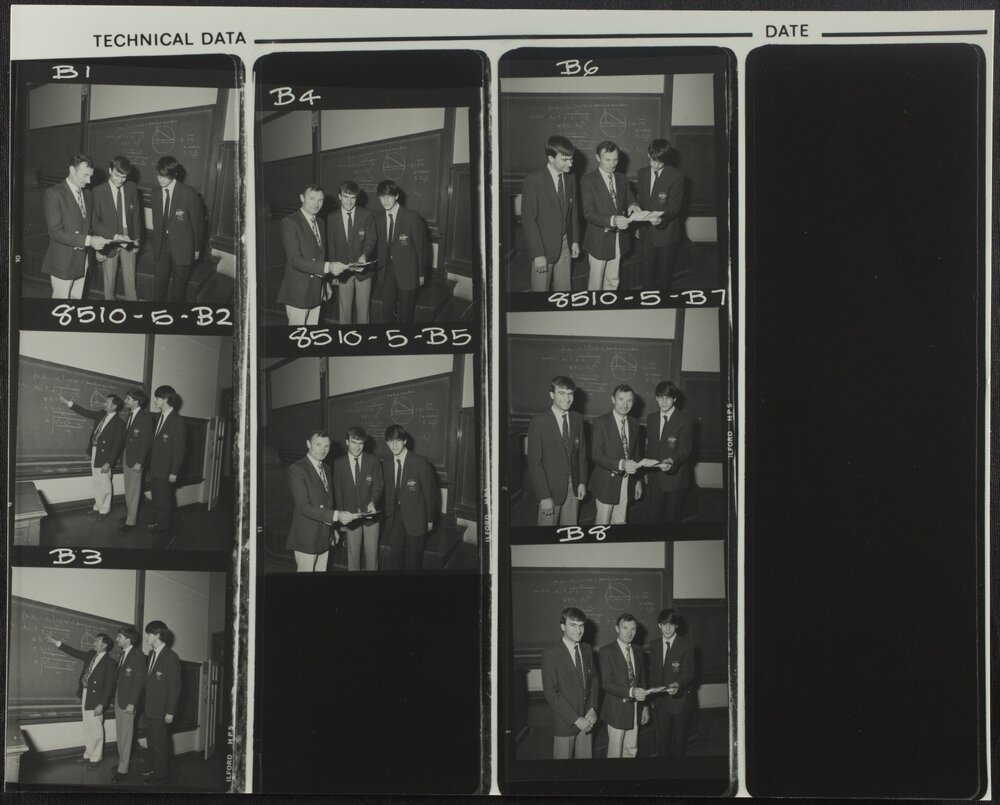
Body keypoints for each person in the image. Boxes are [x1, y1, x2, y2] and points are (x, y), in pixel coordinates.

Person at [286, 430, 359, 572]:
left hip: (324, 536)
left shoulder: (326, 468)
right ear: (308, 444)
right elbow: (304, 508)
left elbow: (327, 502)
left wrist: (332, 530)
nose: (323, 449)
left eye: (327, 446)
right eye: (318, 444)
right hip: (307, 538)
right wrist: (337, 516)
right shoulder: (297, 469)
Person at [42, 632, 116, 770]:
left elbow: (109, 686)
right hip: (86, 693)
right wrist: (56, 642)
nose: (93, 643)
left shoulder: (110, 663)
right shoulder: (90, 655)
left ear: (104, 645)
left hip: (97, 699)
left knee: (96, 728)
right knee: (88, 727)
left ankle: (96, 758)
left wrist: (102, 704)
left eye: (97, 641)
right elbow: (74, 652)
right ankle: (88, 754)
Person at [41, 153, 110, 299]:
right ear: (72, 170)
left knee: (76, 300)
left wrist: (115, 236)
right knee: (61, 306)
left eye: (90, 176)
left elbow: (94, 223)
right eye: (85, 175)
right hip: (63, 261)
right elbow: (55, 232)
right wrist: (88, 241)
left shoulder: (87, 194)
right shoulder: (54, 193)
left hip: (82, 260)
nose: (89, 180)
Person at [520, 135, 581, 292]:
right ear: (551, 158)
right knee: (540, 293)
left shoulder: (571, 177)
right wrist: (538, 253)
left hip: (566, 244)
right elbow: (528, 219)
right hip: (543, 247)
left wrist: (575, 240)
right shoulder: (533, 179)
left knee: (564, 291)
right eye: (565, 160)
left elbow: (573, 211)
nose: (571, 163)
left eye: (571, 159)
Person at [527, 375, 587, 526]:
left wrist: (581, 482)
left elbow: (581, 454)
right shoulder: (538, 421)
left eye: (570, 393)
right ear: (552, 394)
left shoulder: (578, 419)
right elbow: (535, 463)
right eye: (561, 393)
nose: (567, 398)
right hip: (550, 490)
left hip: (574, 488)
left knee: (570, 532)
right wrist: (544, 496)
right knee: (546, 537)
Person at [540, 607, 598, 759]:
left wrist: (592, 708)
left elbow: (594, 680)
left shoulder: (587, 649)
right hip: (566, 723)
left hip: (588, 720)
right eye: (573, 625)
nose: (579, 630)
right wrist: (577, 720)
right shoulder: (550, 654)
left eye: (581, 625)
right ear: (563, 626)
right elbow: (551, 694)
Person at [581, 141, 640, 290]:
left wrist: (633, 205)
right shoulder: (588, 180)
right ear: (597, 158)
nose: (612, 164)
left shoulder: (622, 178)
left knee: (614, 279)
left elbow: (630, 198)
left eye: (615, 159)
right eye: (607, 159)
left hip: (619, 238)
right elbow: (588, 213)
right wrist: (613, 220)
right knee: (596, 283)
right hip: (598, 240)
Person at [58, 392, 125, 519]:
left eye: (107, 402)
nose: (104, 403)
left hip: (105, 457)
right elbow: (86, 412)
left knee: (105, 483)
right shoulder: (101, 414)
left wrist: (108, 462)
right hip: (94, 451)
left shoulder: (119, 424)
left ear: (114, 406)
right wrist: (68, 403)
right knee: (97, 481)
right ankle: (98, 506)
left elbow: (117, 446)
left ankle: (105, 510)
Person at [382, 425, 436, 571]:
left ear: (405, 441)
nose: (394, 445)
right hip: (394, 519)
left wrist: (429, 518)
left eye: (398, 440)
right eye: (390, 441)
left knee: (414, 562)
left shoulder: (420, 462)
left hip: (416, 519)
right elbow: (386, 492)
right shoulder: (386, 464)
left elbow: (430, 493)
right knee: (395, 559)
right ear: (387, 442)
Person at [151, 155, 204, 302]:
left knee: (179, 289)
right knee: (159, 285)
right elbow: (157, 223)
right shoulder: (155, 193)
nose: (161, 179)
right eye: (158, 175)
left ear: (174, 175)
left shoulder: (188, 193)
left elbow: (197, 223)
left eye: (165, 176)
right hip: (161, 247)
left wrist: (197, 248)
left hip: (183, 247)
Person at [589, 384, 643, 525]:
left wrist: (637, 481)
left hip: (627, 482)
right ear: (613, 399)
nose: (625, 404)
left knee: (620, 521)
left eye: (629, 401)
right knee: (602, 524)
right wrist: (621, 464)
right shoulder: (601, 422)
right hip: (607, 483)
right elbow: (596, 455)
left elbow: (636, 454)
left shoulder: (635, 423)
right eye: (621, 399)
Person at [277, 184, 331, 325]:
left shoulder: (320, 222)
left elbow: (320, 255)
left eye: (320, 200)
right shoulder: (289, 222)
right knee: (298, 337)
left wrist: (325, 283)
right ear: (302, 198)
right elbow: (294, 260)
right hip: (299, 291)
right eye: (312, 198)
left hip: (317, 289)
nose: (316, 203)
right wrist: (327, 267)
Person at [635, 138, 685, 292]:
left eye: (660, 162)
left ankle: (663, 301)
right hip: (646, 233)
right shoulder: (642, 173)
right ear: (648, 155)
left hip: (667, 232)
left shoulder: (676, 176)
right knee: (646, 272)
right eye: (653, 160)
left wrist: (661, 217)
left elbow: (675, 206)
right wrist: (638, 224)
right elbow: (640, 200)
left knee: (665, 274)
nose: (655, 165)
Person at [332, 426, 384, 571]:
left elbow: (378, 485)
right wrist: (341, 518)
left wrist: (373, 501)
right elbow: (338, 491)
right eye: (353, 442)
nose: (357, 447)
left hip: (370, 517)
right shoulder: (339, 463)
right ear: (347, 442)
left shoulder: (373, 460)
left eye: (360, 443)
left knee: (372, 556)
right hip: (350, 516)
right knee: (353, 558)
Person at [599, 613, 650, 758]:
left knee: (631, 748)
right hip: (616, 709)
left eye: (633, 629)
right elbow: (607, 684)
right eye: (625, 628)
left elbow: (643, 681)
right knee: (615, 752)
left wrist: (645, 707)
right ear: (617, 628)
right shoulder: (606, 651)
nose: (629, 632)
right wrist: (632, 691)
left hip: (636, 707)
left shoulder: (639, 651)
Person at [376, 180, 427, 323]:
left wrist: (421, 273)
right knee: (386, 313)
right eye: (382, 196)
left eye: (389, 196)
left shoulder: (411, 217)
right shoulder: (379, 219)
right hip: (387, 273)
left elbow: (421, 248)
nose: (385, 200)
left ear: (396, 196)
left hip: (408, 274)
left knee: (405, 315)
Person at [92, 155, 142, 301]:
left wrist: (137, 239)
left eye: (124, 177)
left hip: (129, 237)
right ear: (110, 170)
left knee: (130, 281)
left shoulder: (131, 187)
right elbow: (95, 222)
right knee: (109, 284)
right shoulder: (98, 191)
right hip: (108, 239)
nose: (120, 180)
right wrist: (99, 249)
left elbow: (137, 215)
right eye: (117, 175)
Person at [648, 609, 696, 757]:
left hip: (680, 701)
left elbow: (689, 674)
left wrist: (677, 685)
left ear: (676, 626)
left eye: (671, 624)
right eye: (664, 624)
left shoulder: (687, 644)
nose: (667, 628)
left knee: (679, 743)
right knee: (662, 742)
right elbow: (653, 673)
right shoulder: (654, 645)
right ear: (659, 626)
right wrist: (651, 697)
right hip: (661, 703)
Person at [327, 181, 378, 324]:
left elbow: (371, 239)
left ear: (357, 198)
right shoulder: (332, 217)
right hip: (343, 271)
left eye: (353, 197)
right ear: (339, 196)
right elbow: (331, 245)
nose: (349, 201)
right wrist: (333, 273)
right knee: (345, 313)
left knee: (363, 311)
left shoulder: (367, 215)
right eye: (345, 196)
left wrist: (365, 255)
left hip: (364, 272)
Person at [643, 381, 694, 522]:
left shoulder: (685, 420)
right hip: (655, 478)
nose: (664, 401)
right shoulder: (651, 418)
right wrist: (647, 471)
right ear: (656, 398)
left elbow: (685, 449)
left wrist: (671, 461)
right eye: (660, 397)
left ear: (675, 399)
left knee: (672, 520)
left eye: (668, 397)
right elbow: (650, 447)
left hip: (675, 478)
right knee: (654, 518)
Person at [142, 621, 181, 786]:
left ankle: (160, 776)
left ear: (157, 635)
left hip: (161, 710)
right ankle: (153, 769)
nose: (146, 637)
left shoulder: (171, 657)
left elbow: (175, 688)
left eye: (149, 634)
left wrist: (170, 712)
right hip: (149, 708)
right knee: (151, 742)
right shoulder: (151, 654)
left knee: (160, 744)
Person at [148, 385, 186, 541]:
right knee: (156, 499)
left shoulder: (177, 421)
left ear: (165, 399)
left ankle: (164, 530)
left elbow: (179, 450)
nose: (155, 400)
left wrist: (174, 472)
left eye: (157, 397)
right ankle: (159, 523)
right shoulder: (157, 417)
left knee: (164, 501)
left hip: (166, 471)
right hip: (155, 468)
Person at [111, 626, 145, 783]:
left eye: (119, 636)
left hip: (128, 702)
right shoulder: (123, 654)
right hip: (119, 699)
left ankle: (123, 769)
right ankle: (122, 762)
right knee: (120, 733)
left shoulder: (138, 656)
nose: (117, 639)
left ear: (128, 639)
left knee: (126, 735)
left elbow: (138, 682)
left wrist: (132, 703)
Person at [120, 389, 154, 534]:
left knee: (134, 490)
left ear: (136, 401)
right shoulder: (131, 415)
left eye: (128, 398)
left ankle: (131, 521)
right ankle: (130, 514)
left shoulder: (145, 417)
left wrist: (140, 461)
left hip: (136, 459)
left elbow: (146, 442)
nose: (125, 400)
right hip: (128, 456)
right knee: (128, 488)